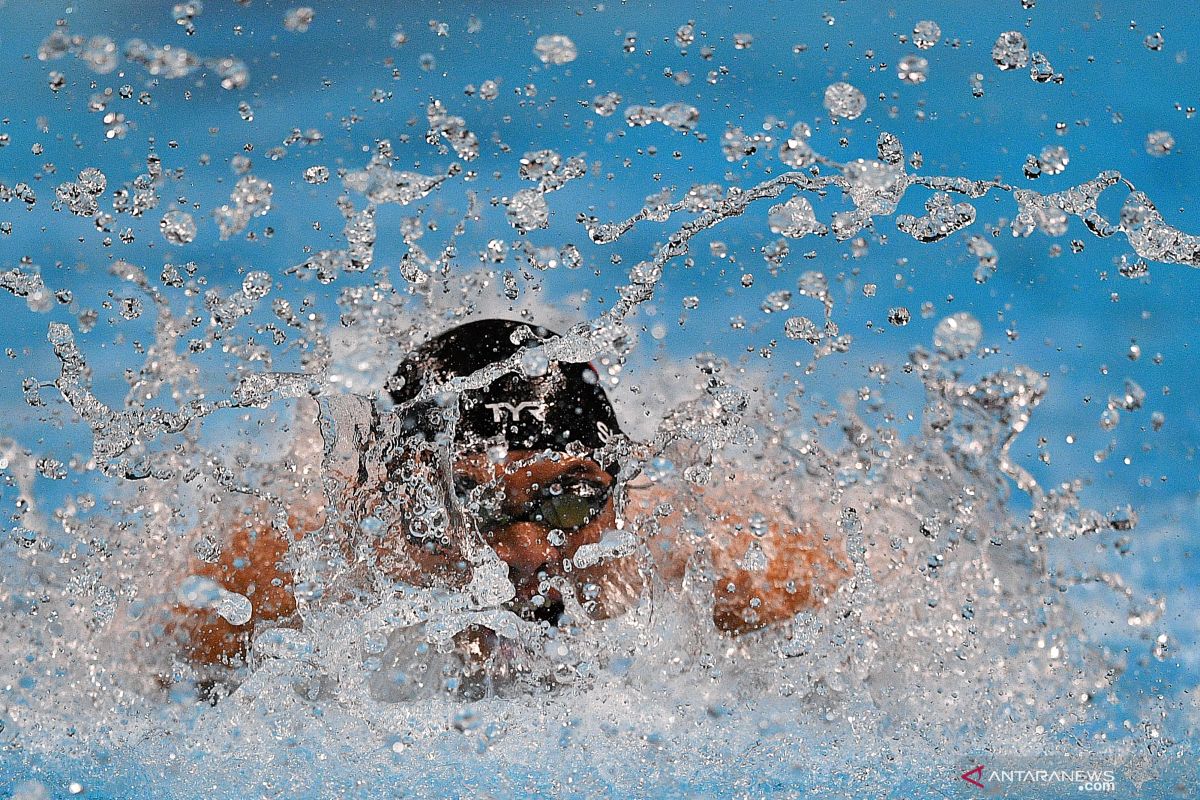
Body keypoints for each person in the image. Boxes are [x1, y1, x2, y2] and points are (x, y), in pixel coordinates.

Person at [169, 319, 849, 689]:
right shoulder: (262, 597)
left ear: (618, 492)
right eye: (476, 504)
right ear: (400, 502)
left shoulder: (744, 573)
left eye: (568, 501)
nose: (530, 553)